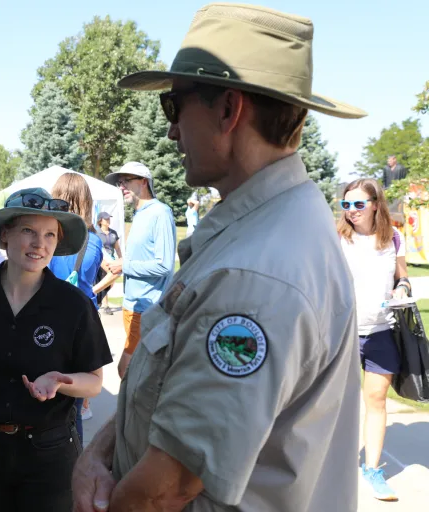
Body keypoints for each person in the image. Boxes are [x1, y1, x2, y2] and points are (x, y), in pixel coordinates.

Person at [72, 4, 366, 512]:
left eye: (173, 107)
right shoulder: (267, 229)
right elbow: (161, 402)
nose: (171, 132)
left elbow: (166, 488)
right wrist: (96, 454)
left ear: (229, 110)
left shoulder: (254, 272)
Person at [0, 187, 112, 511]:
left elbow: (94, 381)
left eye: (50, 235)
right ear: (5, 233)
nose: (39, 243)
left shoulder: (74, 305)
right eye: (28, 230)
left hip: (50, 454)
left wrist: (60, 382)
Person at [338, 178, 408, 501]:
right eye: (346, 204)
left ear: (376, 204)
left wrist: (403, 289)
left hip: (381, 330)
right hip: (344, 333)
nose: (352, 211)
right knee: (340, 402)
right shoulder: (338, 238)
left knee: (376, 399)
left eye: (358, 204)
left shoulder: (393, 238)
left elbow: (402, 276)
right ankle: (331, 464)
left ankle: (373, 469)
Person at [103, 161, 176, 378]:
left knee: (127, 371)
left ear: (143, 182)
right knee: (135, 374)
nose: (121, 186)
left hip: (147, 307)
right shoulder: (139, 214)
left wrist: (124, 265)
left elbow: (163, 265)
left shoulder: (160, 213)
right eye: (119, 182)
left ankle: (131, 413)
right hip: (133, 306)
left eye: (126, 181)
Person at [47, 173, 105, 443]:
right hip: (84, 322)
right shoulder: (93, 241)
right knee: (74, 404)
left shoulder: (50, 237)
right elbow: (90, 279)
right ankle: (73, 460)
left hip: (49, 318)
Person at [94, 212, 122, 316]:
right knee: (102, 280)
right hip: (100, 261)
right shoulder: (96, 232)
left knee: (110, 282)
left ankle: (100, 300)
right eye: (106, 219)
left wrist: (121, 259)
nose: (108, 221)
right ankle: (105, 305)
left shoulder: (113, 233)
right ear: (100, 220)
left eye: (109, 219)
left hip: (112, 261)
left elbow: (117, 248)